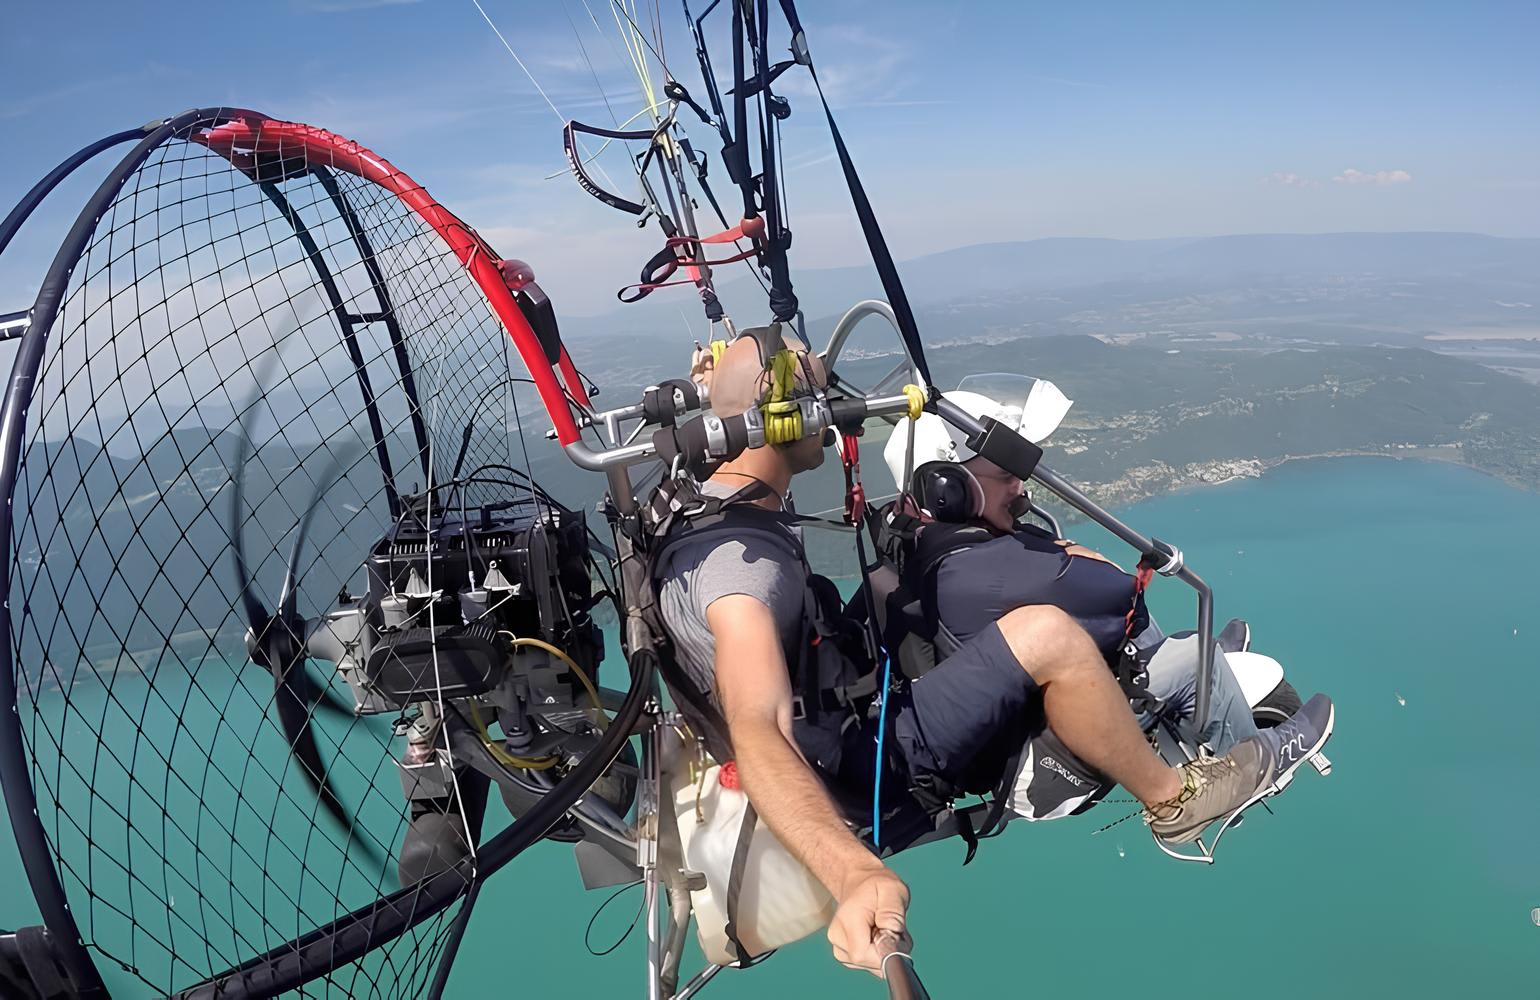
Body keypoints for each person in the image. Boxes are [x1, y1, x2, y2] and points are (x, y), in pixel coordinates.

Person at [654, 343, 1332, 976]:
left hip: (856, 708)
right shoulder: (744, 578)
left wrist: (727, 379)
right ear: (781, 423)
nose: (833, 419)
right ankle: (1175, 801)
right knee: (1044, 634)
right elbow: (758, 727)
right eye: (818, 405)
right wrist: (853, 875)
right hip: (866, 764)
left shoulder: (722, 499)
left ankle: (1177, 687)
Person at [878, 384, 1333, 825]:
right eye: (1005, 477)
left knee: (1157, 642)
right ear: (949, 489)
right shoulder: (982, 574)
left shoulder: (928, 544)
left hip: (1020, 727)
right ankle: (1247, 768)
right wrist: (1075, 556)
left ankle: (1198, 675)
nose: (1020, 487)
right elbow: (1118, 593)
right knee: (1199, 659)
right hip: (1039, 765)